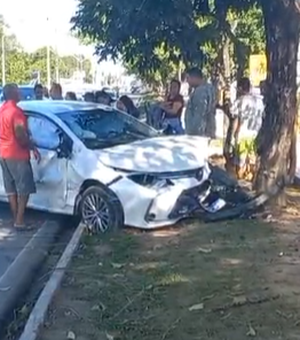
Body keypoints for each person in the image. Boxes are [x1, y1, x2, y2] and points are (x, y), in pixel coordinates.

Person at [0, 84, 41, 230]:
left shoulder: (2, 110)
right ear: (13, 94)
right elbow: (20, 135)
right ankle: (19, 220)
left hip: (3, 153)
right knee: (24, 189)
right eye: (18, 91)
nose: (21, 93)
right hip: (17, 154)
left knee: (11, 188)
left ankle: (16, 217)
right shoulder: (16, 112)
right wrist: (32, 147)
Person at [231, 77, 264, 179]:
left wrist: (233, 134)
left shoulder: (240, 101)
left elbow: (236, 119)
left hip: (243, 134)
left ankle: (240, 182)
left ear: (240, 88)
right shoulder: (259, 101)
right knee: (253, 160)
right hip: (256, 134)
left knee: (240, 161)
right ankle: (253, 179)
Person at [185, 67, 216, 139]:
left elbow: (199, 113)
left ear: (194, 78)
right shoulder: (210, 88)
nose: (187, 81)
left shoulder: (200, 92)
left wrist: (195, 132)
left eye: (188, 78)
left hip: (199, 133)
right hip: (208, 128)